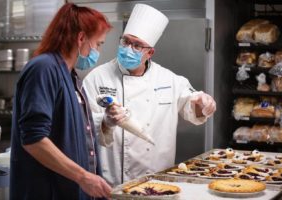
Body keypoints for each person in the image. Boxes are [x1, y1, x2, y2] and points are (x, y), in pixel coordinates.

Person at [83, 4, 216, 186]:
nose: (128, 48)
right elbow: (83, 126)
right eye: (126, 41)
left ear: (150, 52)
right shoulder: (97, 78)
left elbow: (193, 110)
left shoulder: (169, 79)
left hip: (157, 183)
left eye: (137, 45)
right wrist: (105, 121)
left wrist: (204, 104)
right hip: (111, 183)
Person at [10, 3, 112, 199]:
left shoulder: (71, 76)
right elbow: (34, 139)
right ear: (81, 37)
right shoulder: (43, 68)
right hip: (46, 191)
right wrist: (83, 177)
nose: (98, 51)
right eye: (98, 44)